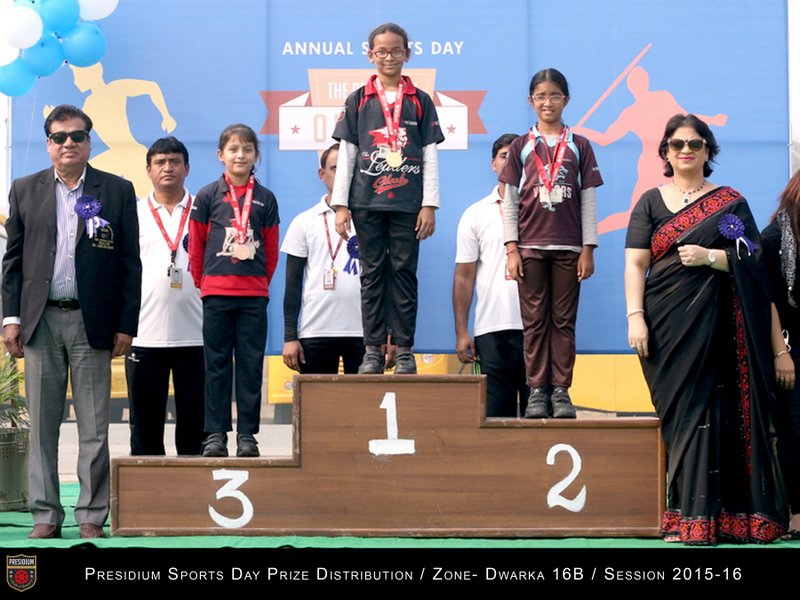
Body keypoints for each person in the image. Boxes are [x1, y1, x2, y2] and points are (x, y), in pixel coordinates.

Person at [625, 113, 786, 545]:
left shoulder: (730, 203)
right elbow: (636, 263)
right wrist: (635, 316)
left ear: (707, 151)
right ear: (665, 151)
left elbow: (755, 264)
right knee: (680, 417)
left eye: (695, 144)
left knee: (711, 411)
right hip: (663, 324)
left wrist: (711, 258)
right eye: (677, 144)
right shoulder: (650, 202)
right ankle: (685, 512)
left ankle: (711, 517)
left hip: (716, 326)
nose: (686, 151)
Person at [1, 104, 141, 539]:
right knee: (42, 427)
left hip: (91, 322)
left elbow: (130, 263)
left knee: (94, 426)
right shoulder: (25, 189)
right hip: (40, 321)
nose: (68, 144)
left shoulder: (116, 190)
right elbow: (13, 261)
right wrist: (10, 318)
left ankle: (91, 513)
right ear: (48, 144)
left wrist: (126, 324)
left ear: (89, 142)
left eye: (77, 136)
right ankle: (45, 514)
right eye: (59, 137)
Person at [330, 22, 445, 375]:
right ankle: (372, 350)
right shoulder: (358, 100)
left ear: (407, 54)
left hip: (408, 203)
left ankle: (405, 349)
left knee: (404, 274)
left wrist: (429, 204)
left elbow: (430, 156)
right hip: (366, 202)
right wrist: (341, 205)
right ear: (370, 55)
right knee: (372, 275)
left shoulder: (420, 101)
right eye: (382, 51)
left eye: (396, 51)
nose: (389, 57)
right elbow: (347, 155)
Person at [500, 68, 602, 419]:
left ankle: (560, 391)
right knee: (534, 323)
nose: (548, 102)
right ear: (531, 101)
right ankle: (536, 391)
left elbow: (588, 200)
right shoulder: (521, 146)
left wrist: (588, 248)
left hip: (569, 249)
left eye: (554, 95)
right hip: (529, 247)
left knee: (563, 321)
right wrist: (511, 248)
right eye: (541, 96)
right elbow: (510, 202)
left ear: (566, 100)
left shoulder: (579, 145)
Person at [189, 124, 279, 458]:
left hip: (253, 296)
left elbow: (271, 248)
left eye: (247, 149)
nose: (240, 155)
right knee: (216, 365)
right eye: (233, 149)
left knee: (250, 366)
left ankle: (247, 435)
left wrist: (259, 284)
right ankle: (215, 433)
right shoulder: (207, 196)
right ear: (220, 155)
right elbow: (196, 245)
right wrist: (204, 284)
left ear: (256, 155)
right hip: (216, 293)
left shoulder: (266, 199)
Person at [126, 137, 204, 456]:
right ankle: (147, 490)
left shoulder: (204, 210)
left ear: (187, 168)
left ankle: (195, 488)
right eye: (160, 162)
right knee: (145, 432)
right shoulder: (133, 214)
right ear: (148, 170)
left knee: (196, 431)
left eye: (174, 161)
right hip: (145, 335)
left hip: (198, 335)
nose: (167, 168)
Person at [454, 133, 528, 417]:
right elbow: (464, 277)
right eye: (503, 156)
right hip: (492, 330)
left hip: (536, 327)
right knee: (497, 417)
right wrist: (462, 332)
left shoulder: (542, 211)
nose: (509, 162)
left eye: (516, 157)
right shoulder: (475, 214)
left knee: (539, 417)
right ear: (493, 164)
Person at [281, 143, 364, 375]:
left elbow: (385, 279)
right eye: (336, 168)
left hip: (365, 334)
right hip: (315, 331)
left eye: (351, 168)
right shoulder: (304, 221)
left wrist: (389, 333)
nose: (344, 174)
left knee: (364, 400)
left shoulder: (372, 221)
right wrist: (290, 336)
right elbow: (293, 284)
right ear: (322, 174)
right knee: (317, 400)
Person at [761, 169, 800, 540]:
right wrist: (781, 353)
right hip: (790, 346)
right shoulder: (775, 238)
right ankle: (796, 512)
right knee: (794, 429)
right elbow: (767, 300)